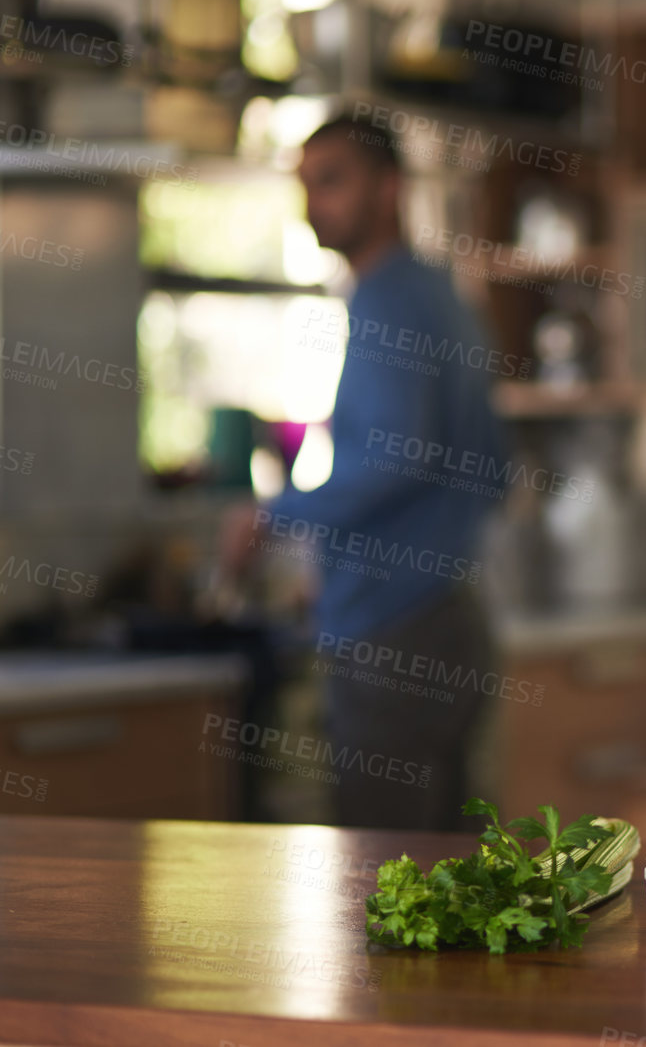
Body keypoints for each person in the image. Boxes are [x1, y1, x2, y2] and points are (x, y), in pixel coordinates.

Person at [224, 116, 507, 831]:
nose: (314, 202)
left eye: (332, 180)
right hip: (449, 615)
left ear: (389, 188)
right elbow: (495, 468)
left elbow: (393, 454)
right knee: (456, 882)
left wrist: (272, 515)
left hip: (395, 633)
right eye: (306, 185)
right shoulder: (442, 294)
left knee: (385, 879)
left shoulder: (387, 299)